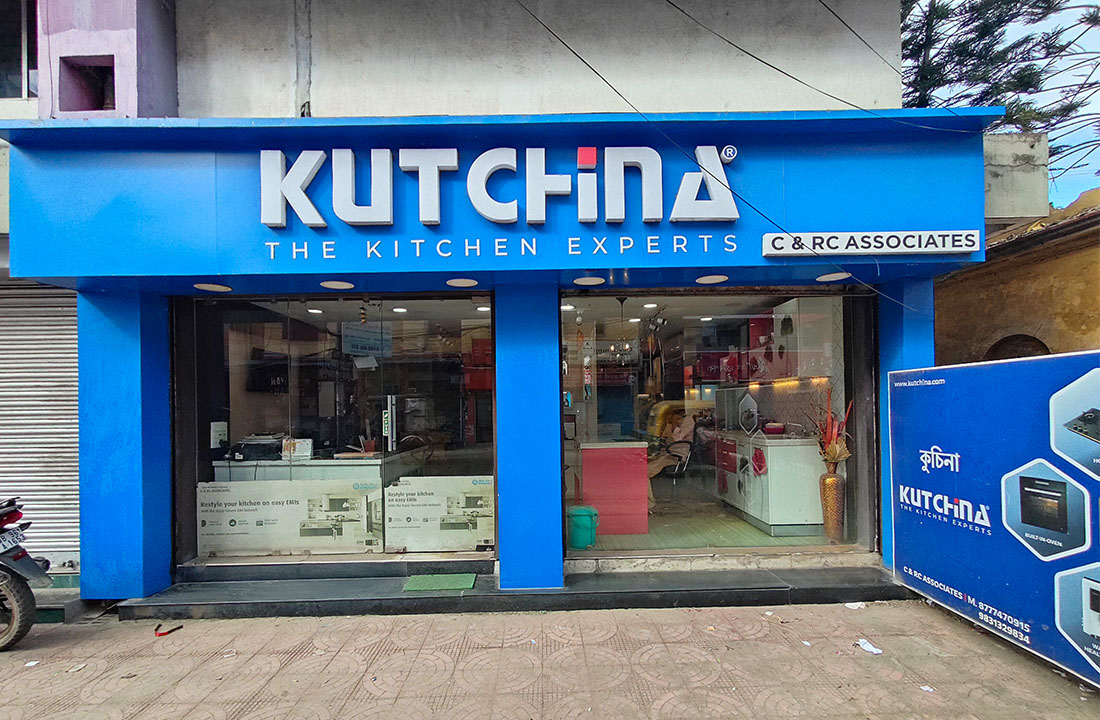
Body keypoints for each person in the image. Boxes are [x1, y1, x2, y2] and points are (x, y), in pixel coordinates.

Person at [647, 408, 695, 509]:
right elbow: (664, 437)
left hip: (675, 455)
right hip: (665, 453)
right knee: (641, 465)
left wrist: (674, 423)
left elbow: (677, 437)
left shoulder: (688, 420)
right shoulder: (672, 420)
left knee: (645, 471)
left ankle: (649, 503)